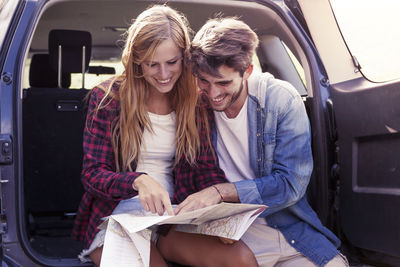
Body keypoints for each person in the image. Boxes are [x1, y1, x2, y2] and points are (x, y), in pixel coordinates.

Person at [72, 6, 258, 267]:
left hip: (171, 218)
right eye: (152, 64)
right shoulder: (108, 99)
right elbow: (92, 174)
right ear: (137, 61)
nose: (163, 74)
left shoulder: (195, 102)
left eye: (172, 63)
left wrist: (219, 212)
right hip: (116, 219)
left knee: (241, 259)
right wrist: (138, 181)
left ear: (185, 58)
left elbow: (205, 167)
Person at [170, 17, 349, 267]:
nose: (213, 94)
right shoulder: (194, 106)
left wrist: (221, 192)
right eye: (203, 82)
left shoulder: (281, 100)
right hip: (226, 235)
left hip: (285, 226)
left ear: (248, 71)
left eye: (223, 82)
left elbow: (290, 184)